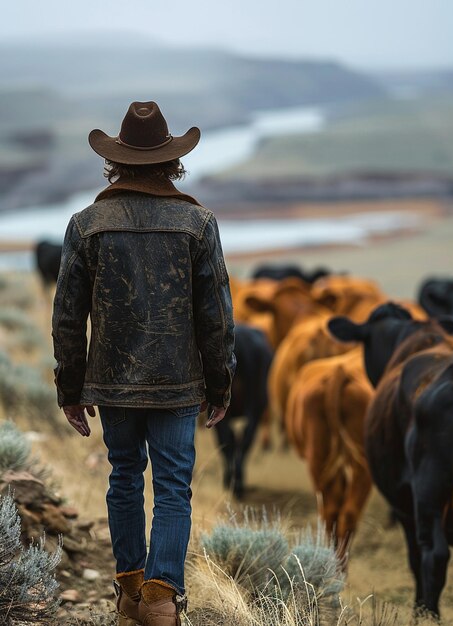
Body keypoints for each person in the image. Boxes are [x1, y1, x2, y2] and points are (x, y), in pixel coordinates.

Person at [52, 101, 236, 626]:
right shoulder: (198, 224)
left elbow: (67, 316)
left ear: (116, 162)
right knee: (174, 485)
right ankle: (161, 596)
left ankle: (131, 590)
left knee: (124, 476)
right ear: (171, 162)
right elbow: (217, 317)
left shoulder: (86, 225)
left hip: (111, 384)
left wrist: (70, 387)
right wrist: (220, 385)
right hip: (178, 385)